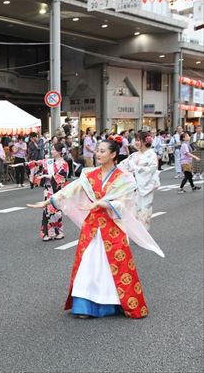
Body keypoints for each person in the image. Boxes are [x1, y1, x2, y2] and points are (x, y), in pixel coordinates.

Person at [28, 137, 164, 319]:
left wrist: (103, 204)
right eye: (97, 150)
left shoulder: (124, 178)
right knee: (88, 263)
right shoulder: (89, 175)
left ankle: (112, 303)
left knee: (112, 266)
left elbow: (124, 204)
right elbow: (71, 189)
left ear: (113, 154)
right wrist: (49, 200)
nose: (98, 154)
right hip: (92, 227)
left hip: (112, 227)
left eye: (102, 151)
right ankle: (85, 305)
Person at [27, 143, 69, 241]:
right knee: (47, 211)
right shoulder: (49, 162)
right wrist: (26, 164)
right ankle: (48, 233)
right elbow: (38, 163)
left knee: (56, 211)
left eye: (54, 149)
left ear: (59, 152)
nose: (52, 151)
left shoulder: (64, 164)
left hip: (57, 190)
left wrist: (46, 176)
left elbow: (61, 178)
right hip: (48, 189)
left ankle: (59, 232)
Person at [118, 132, 160, 229]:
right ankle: (135, 233)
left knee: (145, 211)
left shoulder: (151, 154)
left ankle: (143, 234)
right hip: (133, 187)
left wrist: (135, 168)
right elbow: (122, 166)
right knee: (132, 210)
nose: (135, 142)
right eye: (135, 140)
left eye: (138, 140)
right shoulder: (134, 155)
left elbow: (151, 170)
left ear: (145, 141)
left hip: (146, 187)